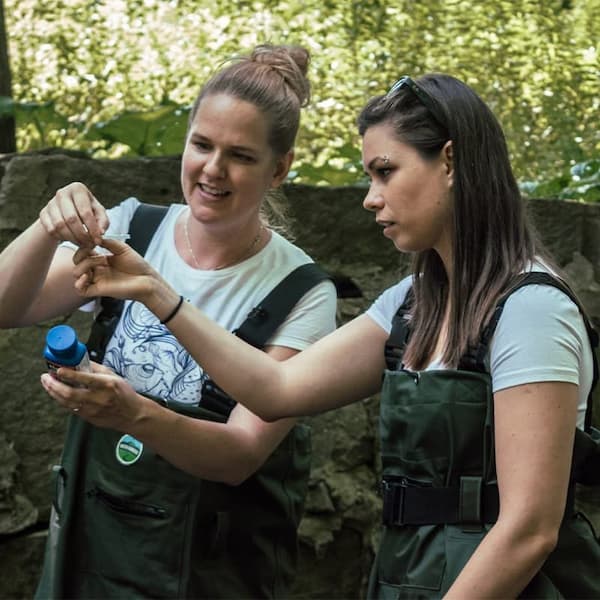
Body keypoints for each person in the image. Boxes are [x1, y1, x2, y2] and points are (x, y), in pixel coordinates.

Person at [35, 73, 600, 598]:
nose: (370, 197)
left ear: (449, 161)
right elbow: (277, 390)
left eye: (385, 171)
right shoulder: (411, 305)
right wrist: (158, 294)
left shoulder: (531, 310)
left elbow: (528, 530)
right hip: (409, 577)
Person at [0, 44, 337, 599]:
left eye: (241, 156)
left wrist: (133, 413)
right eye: (201, 145)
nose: (213, 169)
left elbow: (240, 455)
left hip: (209, 569)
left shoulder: (303, 294)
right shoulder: (134, 227)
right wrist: (45, 227)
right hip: (89, 553)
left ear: (279, 169)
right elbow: (9, 308)